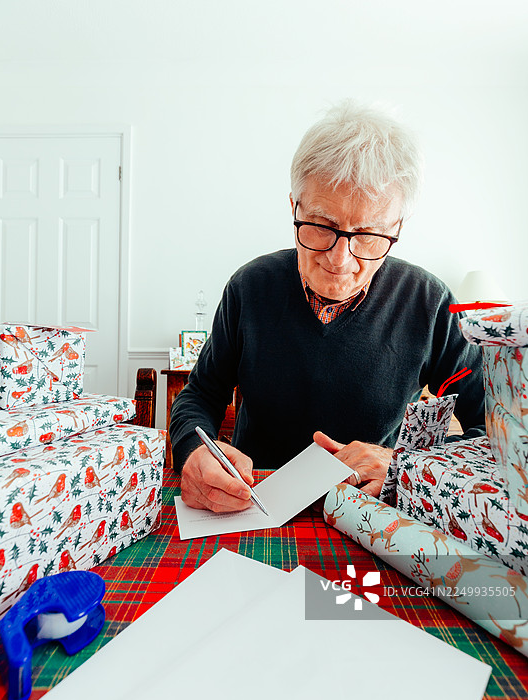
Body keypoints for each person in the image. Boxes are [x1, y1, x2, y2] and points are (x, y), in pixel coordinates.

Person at [170, 99, 485, 513]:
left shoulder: (430, 304)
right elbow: (199, 396)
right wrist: (195, 450)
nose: (340, 260)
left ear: (397, 228)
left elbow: (495, 430)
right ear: (294, 207)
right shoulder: (250, 287)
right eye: (320, 226)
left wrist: (404, 466)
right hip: (250, 508)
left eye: (369, 235)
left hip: (372, 512)